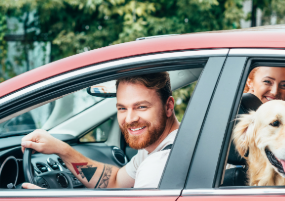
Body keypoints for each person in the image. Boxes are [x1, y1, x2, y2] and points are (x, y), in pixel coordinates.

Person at [21, 72, 179, 189]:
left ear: (168, 106)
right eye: (122, 108)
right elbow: (114, 181)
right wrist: (61, 149)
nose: (130, 119)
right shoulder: (159, 148)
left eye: (141, 107)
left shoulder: (158, 166)